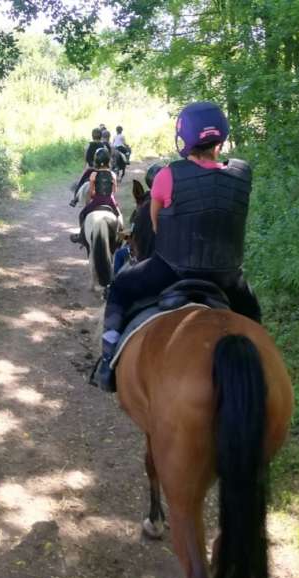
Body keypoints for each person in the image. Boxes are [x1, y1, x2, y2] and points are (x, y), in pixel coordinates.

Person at [95, 101, 262, 392]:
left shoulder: (167, 176)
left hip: (172, 269)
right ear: (220, 138)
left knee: (121, 287)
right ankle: (259, 365)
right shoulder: (242, 173)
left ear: (184, 138)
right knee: (253, 315)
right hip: (228, 277)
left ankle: (108, 359)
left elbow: (157, 225)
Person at [69, 147, 120, 245]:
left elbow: (92, 192)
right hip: (110, 200)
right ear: (108, 161)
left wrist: (92, 198)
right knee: (119, 217)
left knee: (82, 215)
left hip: (97, 201)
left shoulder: (93, 175)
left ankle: (81, 236)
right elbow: (114, 191)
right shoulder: (113, 174)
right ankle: (120, 236)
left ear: (96, 161)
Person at [70, 128, 105, 207]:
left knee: (81, 182)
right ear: (101, 136)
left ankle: (75, 199)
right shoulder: (103, 146)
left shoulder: (88, 145)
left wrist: (85, 166)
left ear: (92, 136)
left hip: (91, 167)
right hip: (101, 168)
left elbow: (86, 158)